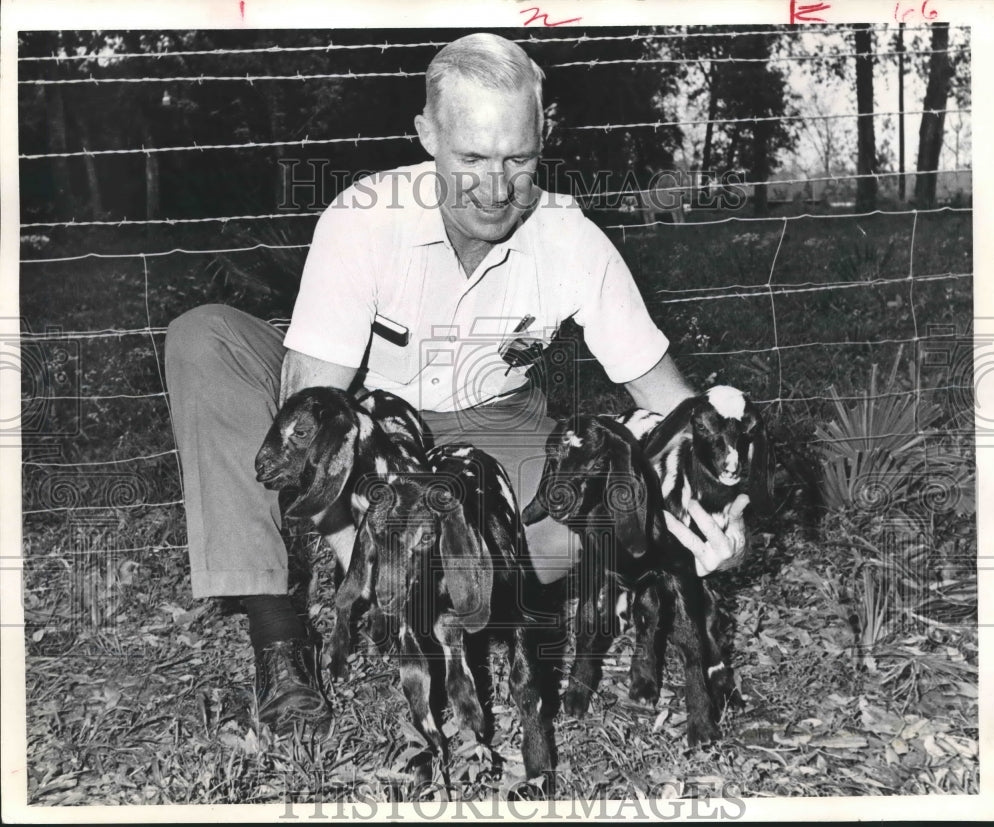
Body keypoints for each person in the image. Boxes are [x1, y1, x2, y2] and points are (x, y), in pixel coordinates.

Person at [164, 33, 750, 727]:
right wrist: (379, 583)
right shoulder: (363, 219)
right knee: (203, 338)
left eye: (518, 158)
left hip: (492, 420)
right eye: (470, 158)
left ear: (545, 136)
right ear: (427, 136)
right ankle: (277, 633)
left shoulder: (572, 237)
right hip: (359, 411)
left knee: (582, 526)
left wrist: (727, 517)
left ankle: (481, 595)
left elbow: (676, 408)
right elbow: (313, 421)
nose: (496, 189)